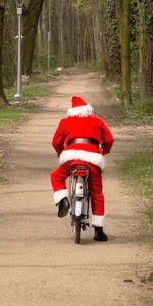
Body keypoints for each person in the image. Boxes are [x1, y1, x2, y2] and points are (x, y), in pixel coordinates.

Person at [50, 96, 114, 241]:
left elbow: (55, 142)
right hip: (93, 159)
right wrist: (103, 152)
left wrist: (62, 153)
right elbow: (109, 139)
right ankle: (98, 230)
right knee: (96, 192)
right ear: (88, 110)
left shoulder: (65, 122)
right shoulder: (97, 121)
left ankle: (63, 200)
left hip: (71, 158)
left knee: (56, 176)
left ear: (72, 111)